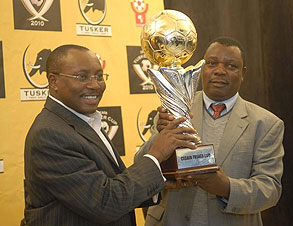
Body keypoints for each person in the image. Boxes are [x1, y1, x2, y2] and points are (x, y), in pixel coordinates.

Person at [23, 44, 200, 226]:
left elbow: (108, 186)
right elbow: (105, 203)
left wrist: (161, 180)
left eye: (99, 76)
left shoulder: (83, 120)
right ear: (53, 82)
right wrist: (157, 154)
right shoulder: (51, 134)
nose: (94, 85)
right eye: (82, 77)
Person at [135, 37, 285, 226]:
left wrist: (227, 188)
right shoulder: (173, 109)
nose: (219, 71)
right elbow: (141, 167)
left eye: (231, 66)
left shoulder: (266, 124)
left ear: (243, 73)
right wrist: (161, 134)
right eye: (212, 63)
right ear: (201, 68)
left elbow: (269, 189)